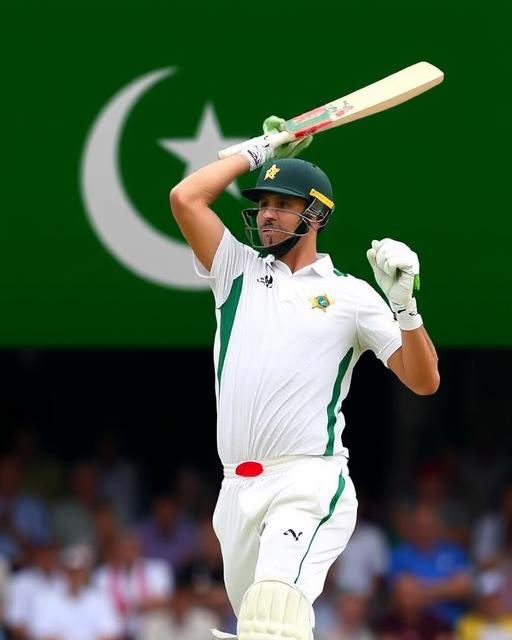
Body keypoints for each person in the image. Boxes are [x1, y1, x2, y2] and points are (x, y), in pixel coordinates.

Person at [168, 117, 440, 640]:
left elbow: (423, 381)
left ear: (316, 214)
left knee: (273, 611)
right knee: (259, 628)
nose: (267, 214)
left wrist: (405, 306)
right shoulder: (237, 272)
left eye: (283, 204)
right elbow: (186, 197)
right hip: (237, 489)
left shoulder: (352, 295)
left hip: (308, 480)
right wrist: (261, 148)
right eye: (263, 203)